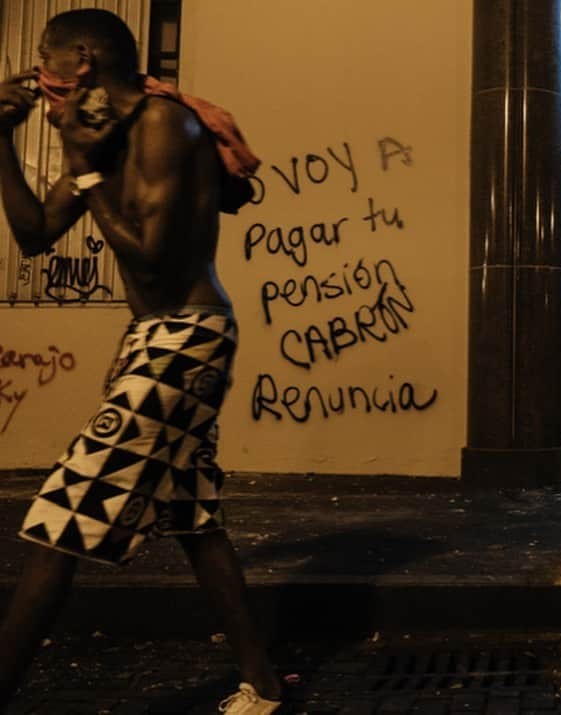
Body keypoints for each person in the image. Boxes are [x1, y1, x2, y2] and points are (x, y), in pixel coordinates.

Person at [0, 9, 282, 714]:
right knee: (193, 518)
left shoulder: (162, 126)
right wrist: (1, 140)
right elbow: (35, 235)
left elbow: (154, 259)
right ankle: (264, 685)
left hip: (186, 336)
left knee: (61, 519)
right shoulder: (98, 134)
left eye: (46, 59)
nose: (41, 75)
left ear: (84, 62)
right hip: (162, 338)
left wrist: (87, 174)